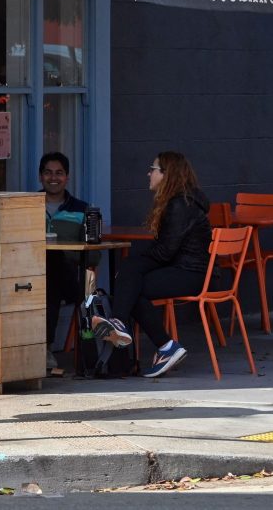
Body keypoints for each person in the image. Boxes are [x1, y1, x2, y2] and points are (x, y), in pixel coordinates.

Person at [90, 151, 212, 378]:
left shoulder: (180, 205)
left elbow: (165, 252)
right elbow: (166, 250)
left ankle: (136, 332)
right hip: (186, 269)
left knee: (131, 279)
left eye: (153, 169)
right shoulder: (183, 202)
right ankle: (160, 344)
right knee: (132, 278)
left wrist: (135, 265)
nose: (148, 173)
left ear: (167, 175)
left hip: (191, 274)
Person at [40, 152, 89, 372]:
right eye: (48, 172)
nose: (53, 177)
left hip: (70, 279)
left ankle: (45, 348)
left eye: (59, 173)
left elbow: (94, 255)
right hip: (31, 276)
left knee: (54, 272)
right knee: (48, 275)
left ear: (67, 177)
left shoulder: (81, 209)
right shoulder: (27, 205)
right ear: (40, 176)